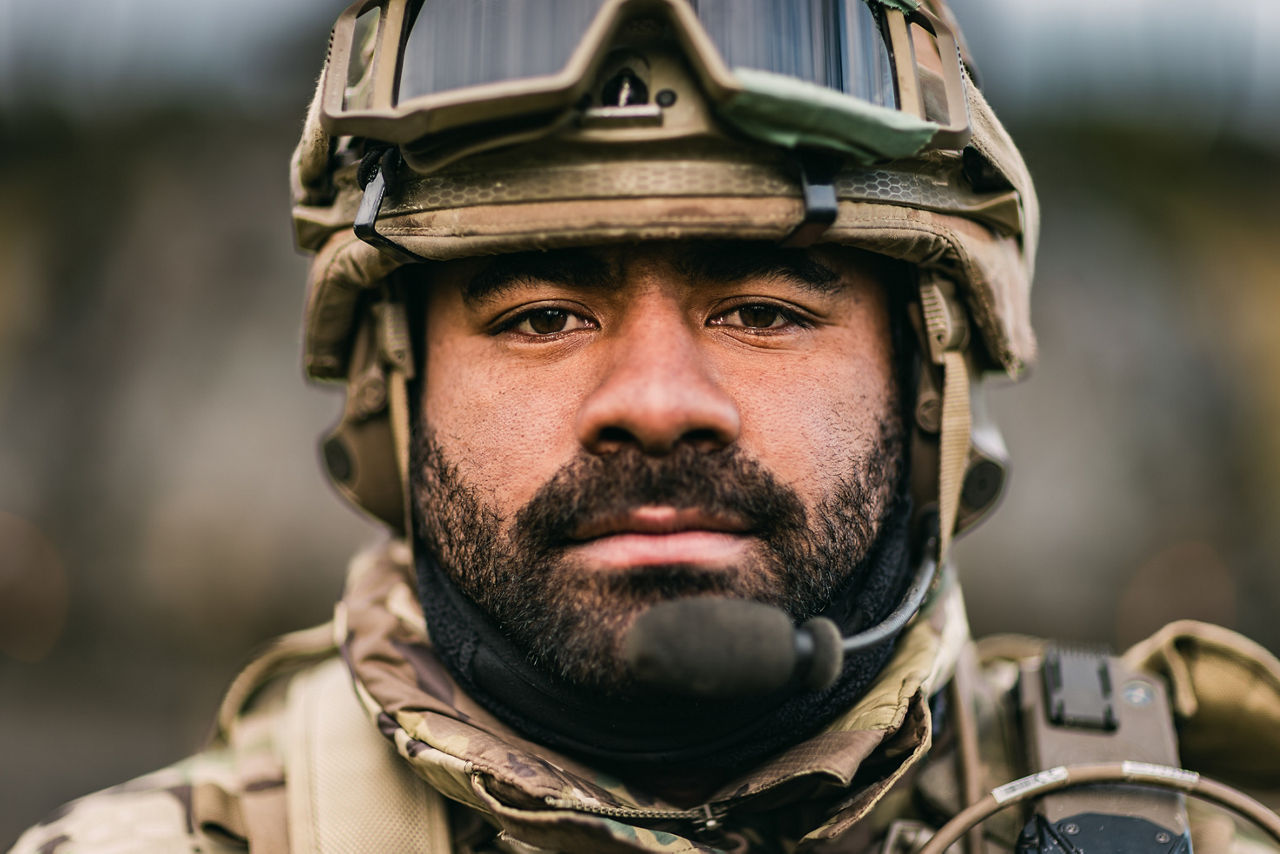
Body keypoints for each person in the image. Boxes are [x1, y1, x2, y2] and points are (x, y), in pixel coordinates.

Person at [12, 1, 1280, 852]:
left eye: (764, 309)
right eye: (541, 315)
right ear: (391, 393)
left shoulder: (1210, 820)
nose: (656, 397)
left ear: (930, 379)